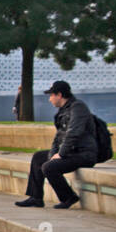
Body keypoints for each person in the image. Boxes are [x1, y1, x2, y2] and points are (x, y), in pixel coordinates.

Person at [15, 80, 98, 210]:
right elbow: (58, 137)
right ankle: (36, 198)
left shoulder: (78, 108)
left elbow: (74, 133)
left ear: (59, 95)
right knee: (38, 157)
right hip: (71, 152)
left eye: (51, 95)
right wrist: (53, 154)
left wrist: (61, 154)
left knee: (49, 167)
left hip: (84, 154)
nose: (49, 99)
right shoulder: (63, 111)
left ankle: (68, 197)